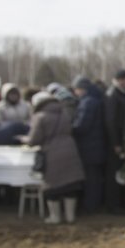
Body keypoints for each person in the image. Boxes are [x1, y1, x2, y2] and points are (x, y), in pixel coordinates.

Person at [26, 92, 85, 224]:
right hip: (70, 149)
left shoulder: (40, 117)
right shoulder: (65, 113)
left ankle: (55, 216)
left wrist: (25, 140)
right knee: (71, 185)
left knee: (52, 187)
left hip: (51, 152)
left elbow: (34, 139)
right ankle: (70, 216)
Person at [71, 76, 107, 215]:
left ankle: (90, 206)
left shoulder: (87, 103)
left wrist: (71, 129)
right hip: (97, 145)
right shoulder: (97, 99)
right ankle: (94, 204)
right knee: (96, 177)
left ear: (81, 89)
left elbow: (82, 125)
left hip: (89, 146)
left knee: (91, 178)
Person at [103, 69, 125, 215]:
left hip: (123, 139)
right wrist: (116, 144)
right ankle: (113, 204)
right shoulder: (113, 96)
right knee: (114, 173)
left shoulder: (122, 94)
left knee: (123, 172)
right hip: (116, 141)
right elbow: (111, 121)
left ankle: (123, 201)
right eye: (124, 79)